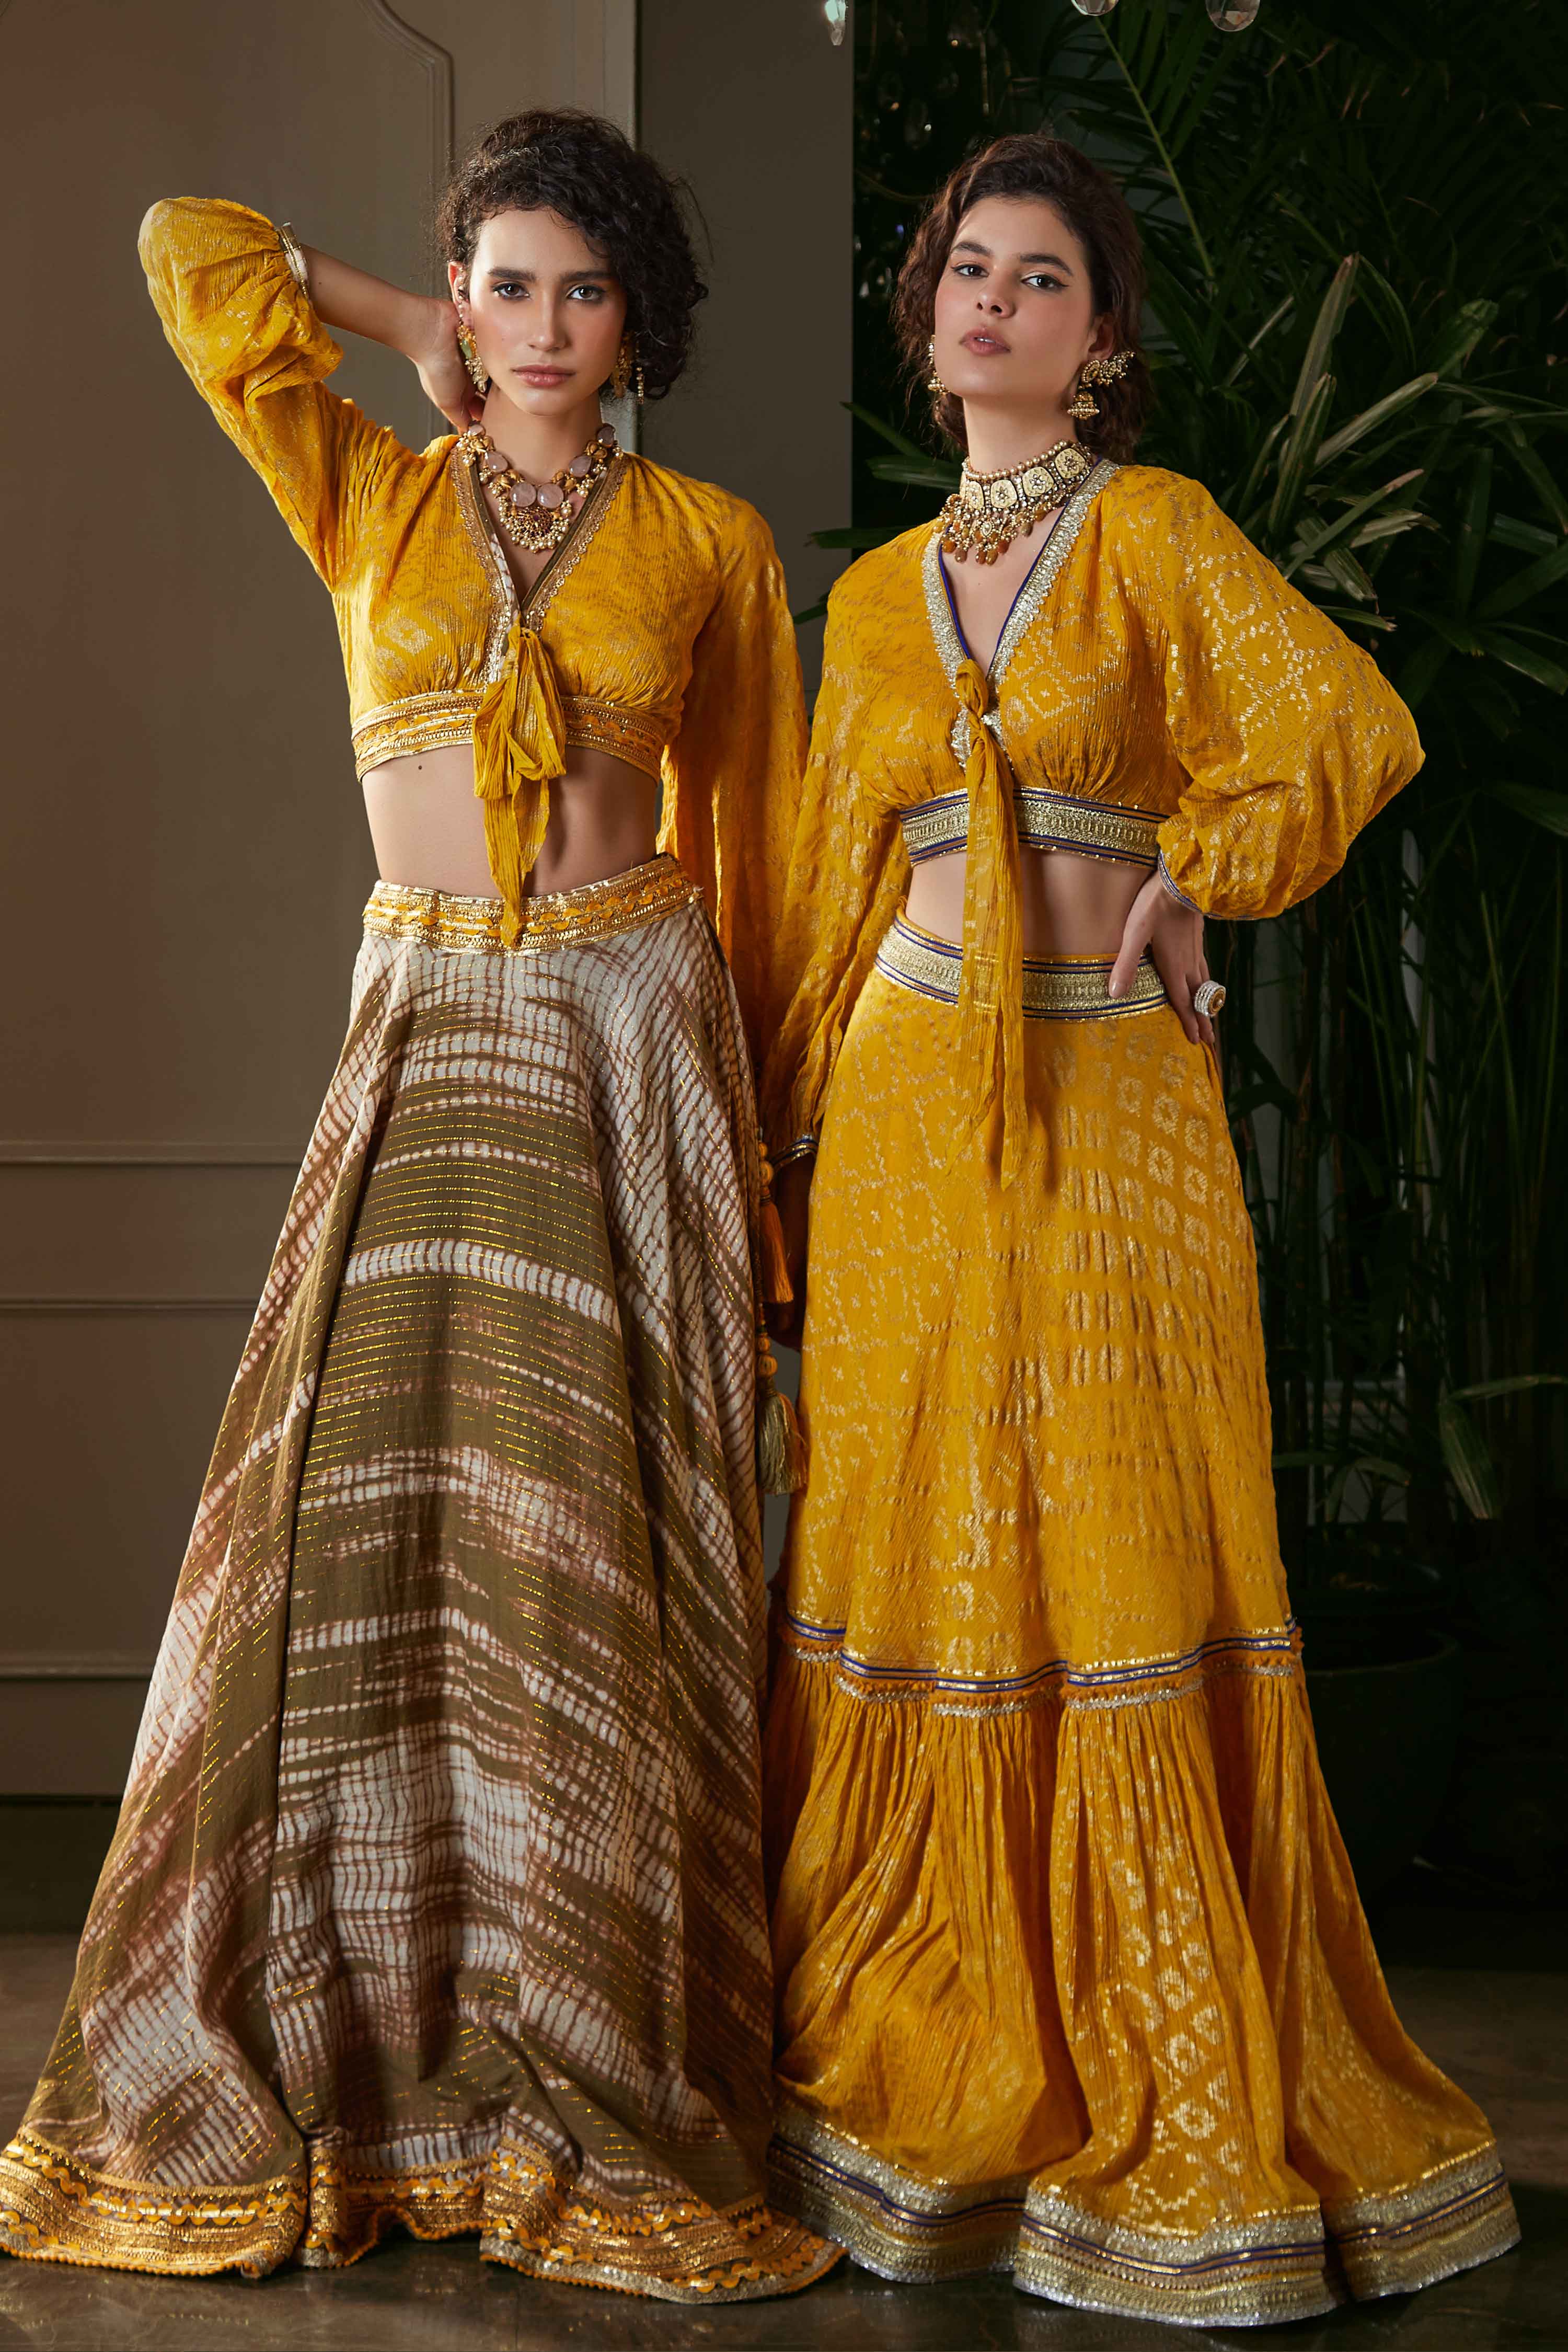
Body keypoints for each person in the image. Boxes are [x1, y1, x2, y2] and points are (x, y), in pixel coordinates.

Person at [0, 109, 835, 2302]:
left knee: (595, 1544)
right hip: (425, 1026)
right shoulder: (367, 489)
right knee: (345, 1538)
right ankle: (361, 2056)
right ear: (465, 294)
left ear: (639, 318)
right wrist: (401, 321)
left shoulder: (710, 541)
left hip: (628, 1034)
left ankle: (588, 2046)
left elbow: (769, 852)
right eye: (506, 284)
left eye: (582, 290)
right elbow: (186, 251)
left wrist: (771, 1164)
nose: (541, 328)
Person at [759, 131, 1518, 2328]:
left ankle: (1158, 2056)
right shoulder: (870, 596)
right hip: (907, 1110)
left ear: (1101, 341)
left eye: (1042, 277)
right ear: (929, 319)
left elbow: (1344, 724)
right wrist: (782, 1162)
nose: (993, 302)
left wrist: (1204, 870)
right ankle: (932, 2039)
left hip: (1114, 1096)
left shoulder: (1161, 532)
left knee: (1116, 1535)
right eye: (966, 271)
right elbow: (822, 887)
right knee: (919, 1532)